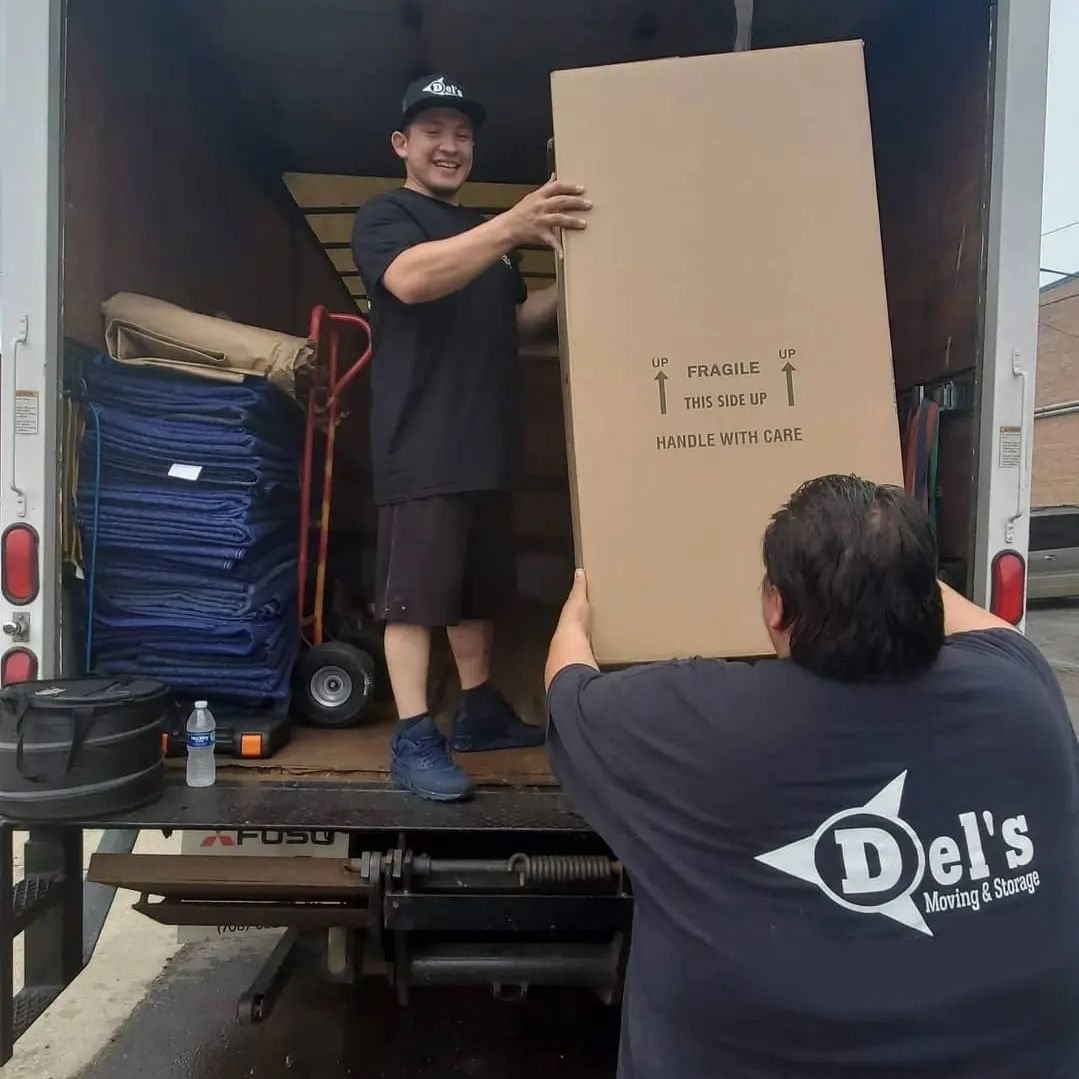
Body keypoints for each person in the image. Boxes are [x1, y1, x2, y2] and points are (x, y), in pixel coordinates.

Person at [546, 474, 1079, 1079]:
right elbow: (985, 623)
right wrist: (878, 558)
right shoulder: (1022, 691)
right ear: (923, 594)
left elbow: (569, 691)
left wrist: (574, 616)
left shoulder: (694, 726)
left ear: (776, 606)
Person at [351, 75, 591, 801]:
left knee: (476, 592)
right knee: (415, 600)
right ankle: (413, 735)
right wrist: (511, 226)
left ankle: (480, 711)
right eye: (433, 131)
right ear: (403, 144)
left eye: (460, 133)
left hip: (486, 446)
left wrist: (584, 279)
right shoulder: (386, 218)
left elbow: (516, 317)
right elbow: (411, 283)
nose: (449, 146)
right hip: (420, 443)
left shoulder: (491, 240)